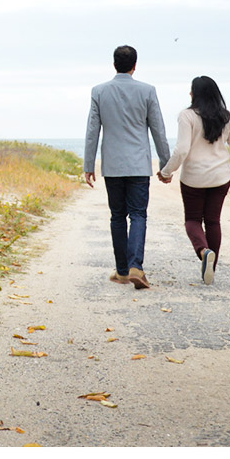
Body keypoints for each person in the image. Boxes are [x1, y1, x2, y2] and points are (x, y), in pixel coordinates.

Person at [83, 45, 170, 289]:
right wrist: (166, 164)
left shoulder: (99, 91)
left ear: (114, 65)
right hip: (139, 165)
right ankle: (136, 267)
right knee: (139, 215)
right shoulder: (147, 91)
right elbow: (158, 130)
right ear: (135, 66)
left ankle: (122, 271)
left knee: (117, 217)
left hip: (112, 166)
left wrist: (89, 164)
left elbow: (92, 132)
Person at [156, 75, 230, 286]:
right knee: (213, 221)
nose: (189, 94)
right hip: (220, 178)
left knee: (193, 220)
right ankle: (210, 269)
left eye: (191, 90)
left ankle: (204, 252)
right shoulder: (227, 117)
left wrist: (167, 172)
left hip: (193, 179)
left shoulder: (186, 116)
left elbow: (181, 150)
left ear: (196, 94)